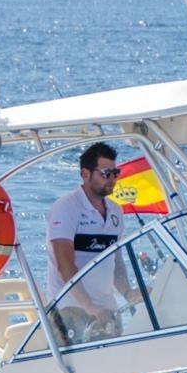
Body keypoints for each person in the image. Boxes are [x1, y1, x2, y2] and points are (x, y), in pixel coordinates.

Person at [46, 142, 141, 343]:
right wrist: (90, 307)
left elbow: (116, 262)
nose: (112, 179)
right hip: (71, 309)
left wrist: (128, 293)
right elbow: (64, 265)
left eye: (115, 173)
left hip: (107, 309)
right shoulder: (66, 208)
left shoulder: (115, 211)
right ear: (85, 174)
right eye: (106, 173)